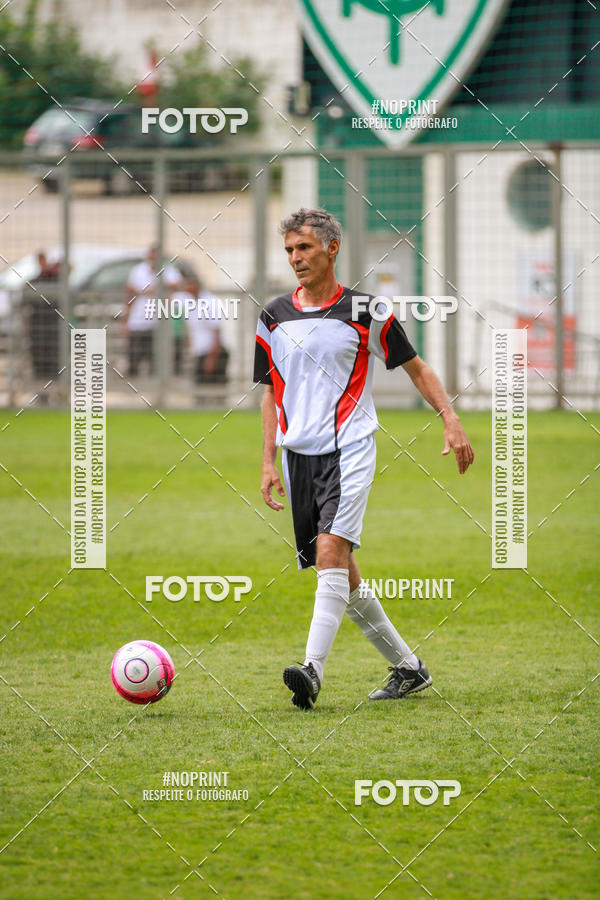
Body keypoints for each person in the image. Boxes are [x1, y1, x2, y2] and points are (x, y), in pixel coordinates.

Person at [253, 208, 474, 710]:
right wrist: (268, 460)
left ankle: (311, 671)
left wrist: (450, 417)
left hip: (349, 450)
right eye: (289, 250)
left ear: (332, 248)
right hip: (298, 458)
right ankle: (408, 668)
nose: (295, 258)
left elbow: (416, 369)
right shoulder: (272, 316)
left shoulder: (366, 311)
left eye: (304, 248)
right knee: (339, 570)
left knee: (331, 552)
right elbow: (270, 393)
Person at [123, 245, 181, 376]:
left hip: (158, 322)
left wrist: (146, 290)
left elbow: (175, 287)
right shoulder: (138, 270)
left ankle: (154, 388)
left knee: (155, 359)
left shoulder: (169, 271)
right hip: (138, 320)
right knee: (134, 356)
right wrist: (125, 320)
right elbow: (130, 293)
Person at [185, 277, 229, 384]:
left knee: (215, 388)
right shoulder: (191, 302)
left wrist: (211, 359)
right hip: (201, 352)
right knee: (200, 388)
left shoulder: (209, 302)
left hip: (213, 352)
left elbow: (217, 332)